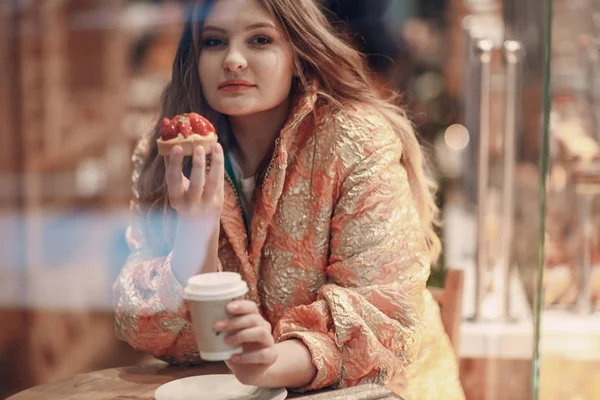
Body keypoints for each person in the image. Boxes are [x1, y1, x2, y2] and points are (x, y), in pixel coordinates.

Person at [113, 0, 465, 398]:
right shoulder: (169, 152)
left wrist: (272, 362)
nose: (233, 60)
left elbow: (380, 315)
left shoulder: (355, 142)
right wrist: (195, 233)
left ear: (298, 50)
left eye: (260, 40)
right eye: (214, 42)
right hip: (227, 389)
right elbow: (140, 322)